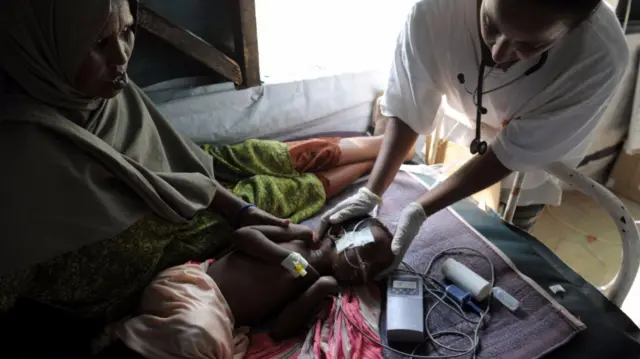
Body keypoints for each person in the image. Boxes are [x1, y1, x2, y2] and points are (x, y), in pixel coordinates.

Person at [0, 0, 402, 356]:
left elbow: (180, 163)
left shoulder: (103, 93)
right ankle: (382, 155)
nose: (122, 57)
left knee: (253, 156)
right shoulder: (20, 160)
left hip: (189, 191)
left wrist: (241, 210)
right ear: (48, 46)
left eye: (126, 31)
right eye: (97, 43)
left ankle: (382, 145)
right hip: (174, 250)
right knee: (275, 194)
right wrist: (271, 240)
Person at [320, 0, 629, 276]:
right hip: (465, 134)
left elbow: (511, 153)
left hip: (529, 165)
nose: (499, 53)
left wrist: (419, 209)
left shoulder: (599, 57)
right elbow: (408, 107)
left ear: (572, 31)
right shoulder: (435, 10)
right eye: (490, 25)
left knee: (507, 249)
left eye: (530, 46)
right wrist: (373, 192)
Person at [116, 217, 394, 358]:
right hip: (195, 286)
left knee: (204, 340)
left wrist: (318, 289)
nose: (364, 269)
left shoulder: (315, 285)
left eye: (372, 269)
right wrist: (286, 258)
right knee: (196, 333)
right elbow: (242, 236)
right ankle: (124, 338)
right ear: (339, 234)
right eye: (366, 253)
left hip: (218, 317)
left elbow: (279, 330)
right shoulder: (299, 238)